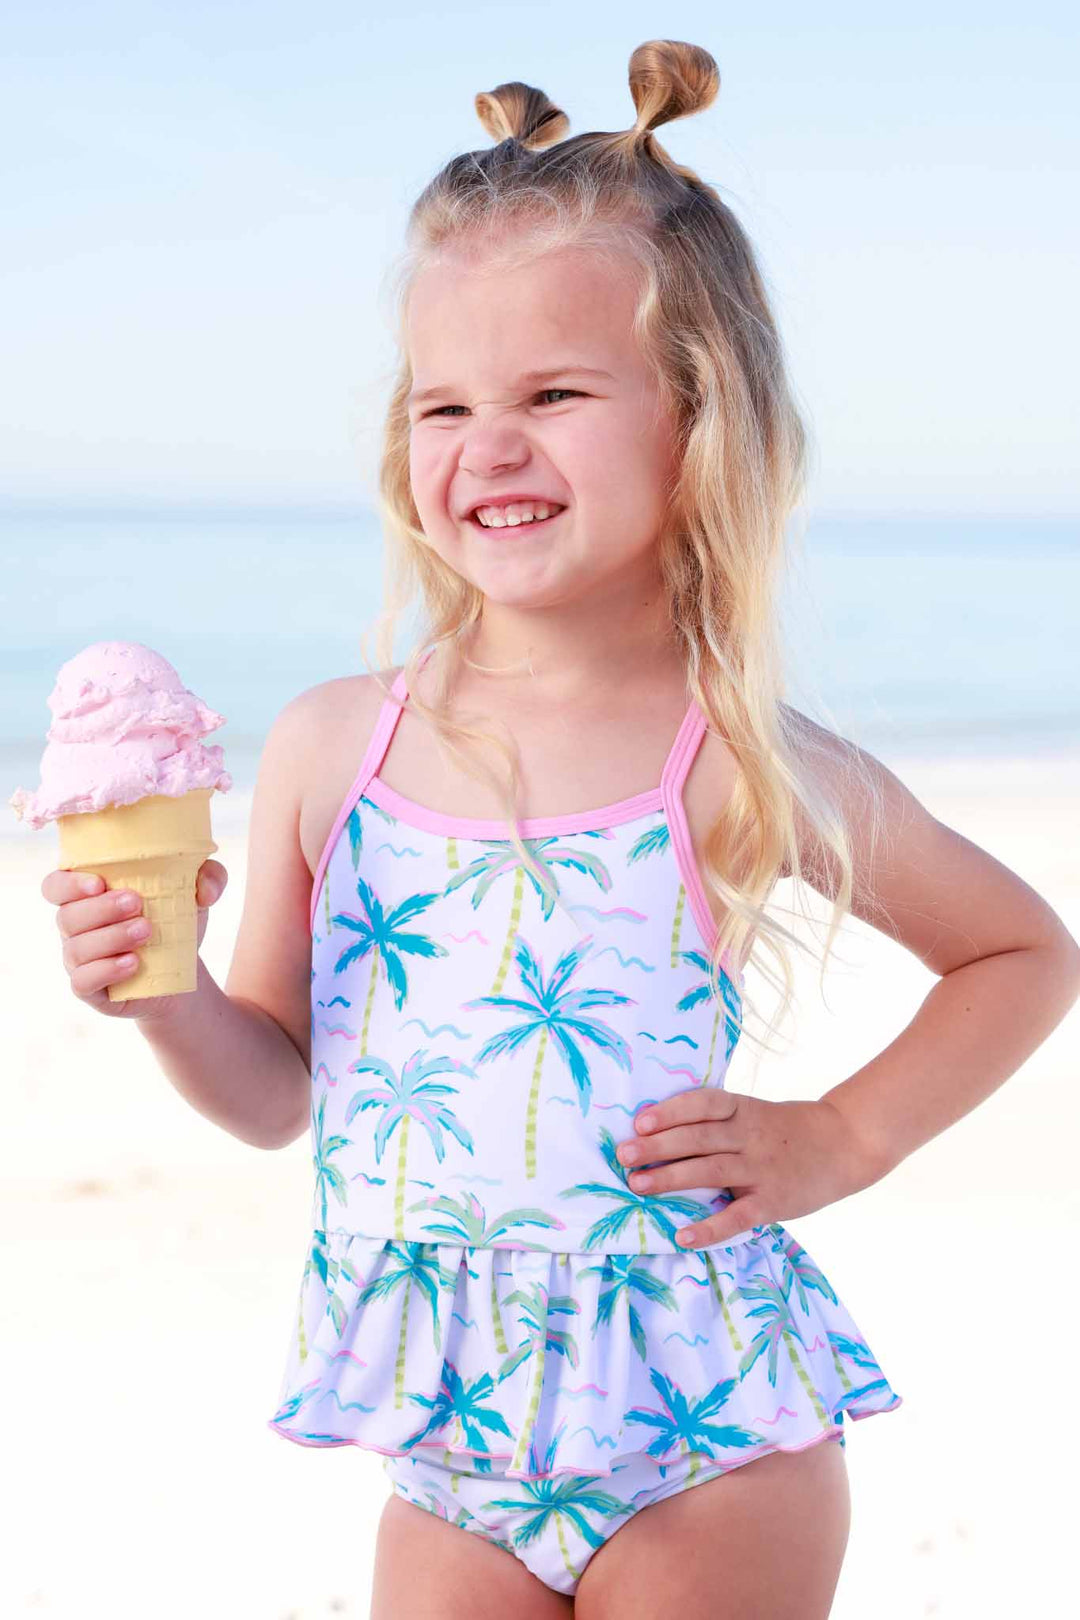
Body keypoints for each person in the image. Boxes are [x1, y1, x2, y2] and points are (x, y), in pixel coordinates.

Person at [42, 37, 1080, 1620]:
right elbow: (274, 1092)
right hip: (448, 1440)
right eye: (444, 402)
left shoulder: (735, 759)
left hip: (707, 1426)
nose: (489, 445)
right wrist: (164, 996)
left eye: (555, 393)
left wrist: (843, 1136)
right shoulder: (339, 744)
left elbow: (1021, 950)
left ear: (697, 419)